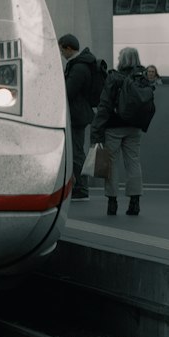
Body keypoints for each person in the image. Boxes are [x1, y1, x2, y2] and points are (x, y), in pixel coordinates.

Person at [89, 45, 153, 217]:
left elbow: (104, 106)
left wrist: (96, 129)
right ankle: (135, 202)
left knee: (112, 164)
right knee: (133, 162)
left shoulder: (114, 77)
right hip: (134, 127)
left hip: (113, 127)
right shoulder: (142, 78)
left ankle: (112, 201)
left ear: (122, 60)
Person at [59, 33, 98, 199]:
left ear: (69, 48)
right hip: (79, 113)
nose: (61, 54)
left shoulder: (78, 67)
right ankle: (78, 185)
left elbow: (68, 90)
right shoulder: (80, 64)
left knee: (76, 151)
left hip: (77, 115)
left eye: (62, 50)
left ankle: (81, 188)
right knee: (76, 150)